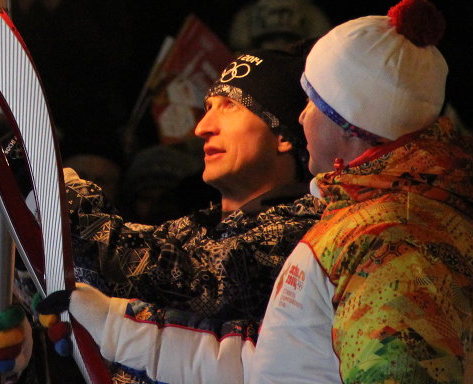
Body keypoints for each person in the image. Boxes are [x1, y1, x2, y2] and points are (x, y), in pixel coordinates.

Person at [61, 0, 473, 384]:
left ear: (346, 121)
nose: (301, 117)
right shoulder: (362, 224)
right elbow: (268, 366)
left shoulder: (400, 243)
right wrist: (111, 326)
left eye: (312, 103)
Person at [63, 45, 322, 335]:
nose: (202, 127)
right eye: (209, 107)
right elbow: (105, 272)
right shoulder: (192, 231)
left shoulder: (305, 234)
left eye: (230, 106)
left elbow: (182, 278)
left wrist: (58, 190)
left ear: (283, 135)